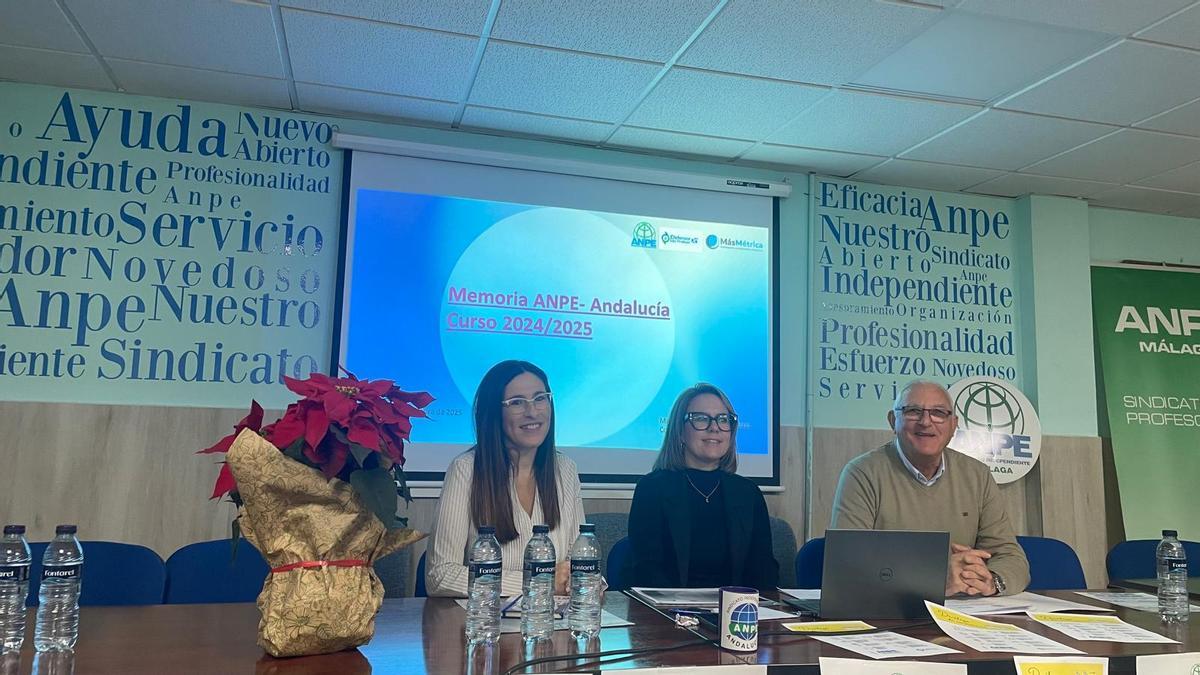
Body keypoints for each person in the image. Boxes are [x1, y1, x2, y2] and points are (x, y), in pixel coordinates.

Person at [830, 380, 1030, 596]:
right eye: (913, 411)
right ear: (893, 421)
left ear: (953, 425)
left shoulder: (977, 475)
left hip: (964, 609)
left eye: (938, 413)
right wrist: (933, 578)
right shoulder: (862, 473)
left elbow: (1010, 557)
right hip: (891, 609)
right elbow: (847, 564)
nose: (925, 422)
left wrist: (990, 581)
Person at [426, 360, 585, 597]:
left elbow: (577, 565)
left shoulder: (565, 469)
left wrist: (588, 583)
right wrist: (541, 583)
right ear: (494, 413)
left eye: (540, 398)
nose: (532, 412)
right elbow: (440, 575)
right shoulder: (466, 470)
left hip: (550, 617)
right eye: (517, 402)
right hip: (485, 618)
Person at [627, 383, 779, 591]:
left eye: (723, 419)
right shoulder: (652, 489)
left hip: (735, 608)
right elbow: (647, 570)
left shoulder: (748, 493)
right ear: (680, 431)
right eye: (700, 418)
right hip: (669, 607)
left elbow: (763, 571)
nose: (714, 427)